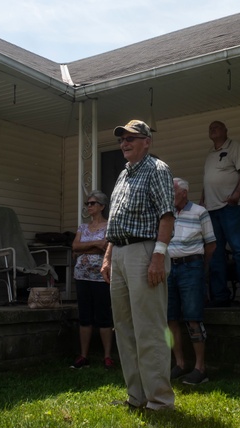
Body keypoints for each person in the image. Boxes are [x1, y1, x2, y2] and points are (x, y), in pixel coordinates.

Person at [101, 119, 176, 411]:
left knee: (150, 328)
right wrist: (108, 256)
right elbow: (115, 221)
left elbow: (166, 216)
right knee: (124, 328)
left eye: (132, 138)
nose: (124, 143)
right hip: (119, 253)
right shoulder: (123, 175)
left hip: (144, 252)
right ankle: (137, 396)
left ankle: (159, 400)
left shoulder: (158, 169)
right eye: (122, 139)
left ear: (147, 142)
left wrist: (158, 256)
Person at [201, 120, 240, 309]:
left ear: (226, 130)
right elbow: (208, 181)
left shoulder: (234, 147)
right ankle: (220, 297)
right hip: (211, 211)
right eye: (211, 127)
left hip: (230, 209)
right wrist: (203, 202)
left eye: (217, 126)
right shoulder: (210, 153)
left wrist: (236, 196)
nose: (213, 129)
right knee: (215, 254)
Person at [167, 177, 216, 386]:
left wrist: (200, 268)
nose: (170, 195)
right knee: (169, 318)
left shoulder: (199, 212)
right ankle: (179, 363)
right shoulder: (166, 214)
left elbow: (211, 244)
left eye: (173, 191)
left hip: (191, 267)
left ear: (184, 193)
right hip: (169, 268)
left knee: (193, 317)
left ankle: (200, 368)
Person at [70, 190, 114, 370]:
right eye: (87, 203)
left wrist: (85, 248)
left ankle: (107, 356)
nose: (89, 206)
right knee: (85, 316)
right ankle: (83, 356)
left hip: (101, 276)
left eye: (92, 203)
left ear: (102, 206)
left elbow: (106, 247)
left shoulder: (109, 226)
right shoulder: (82, 227)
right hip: (82, 276)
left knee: (103, 316)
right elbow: (74, 247)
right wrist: (95, 244)